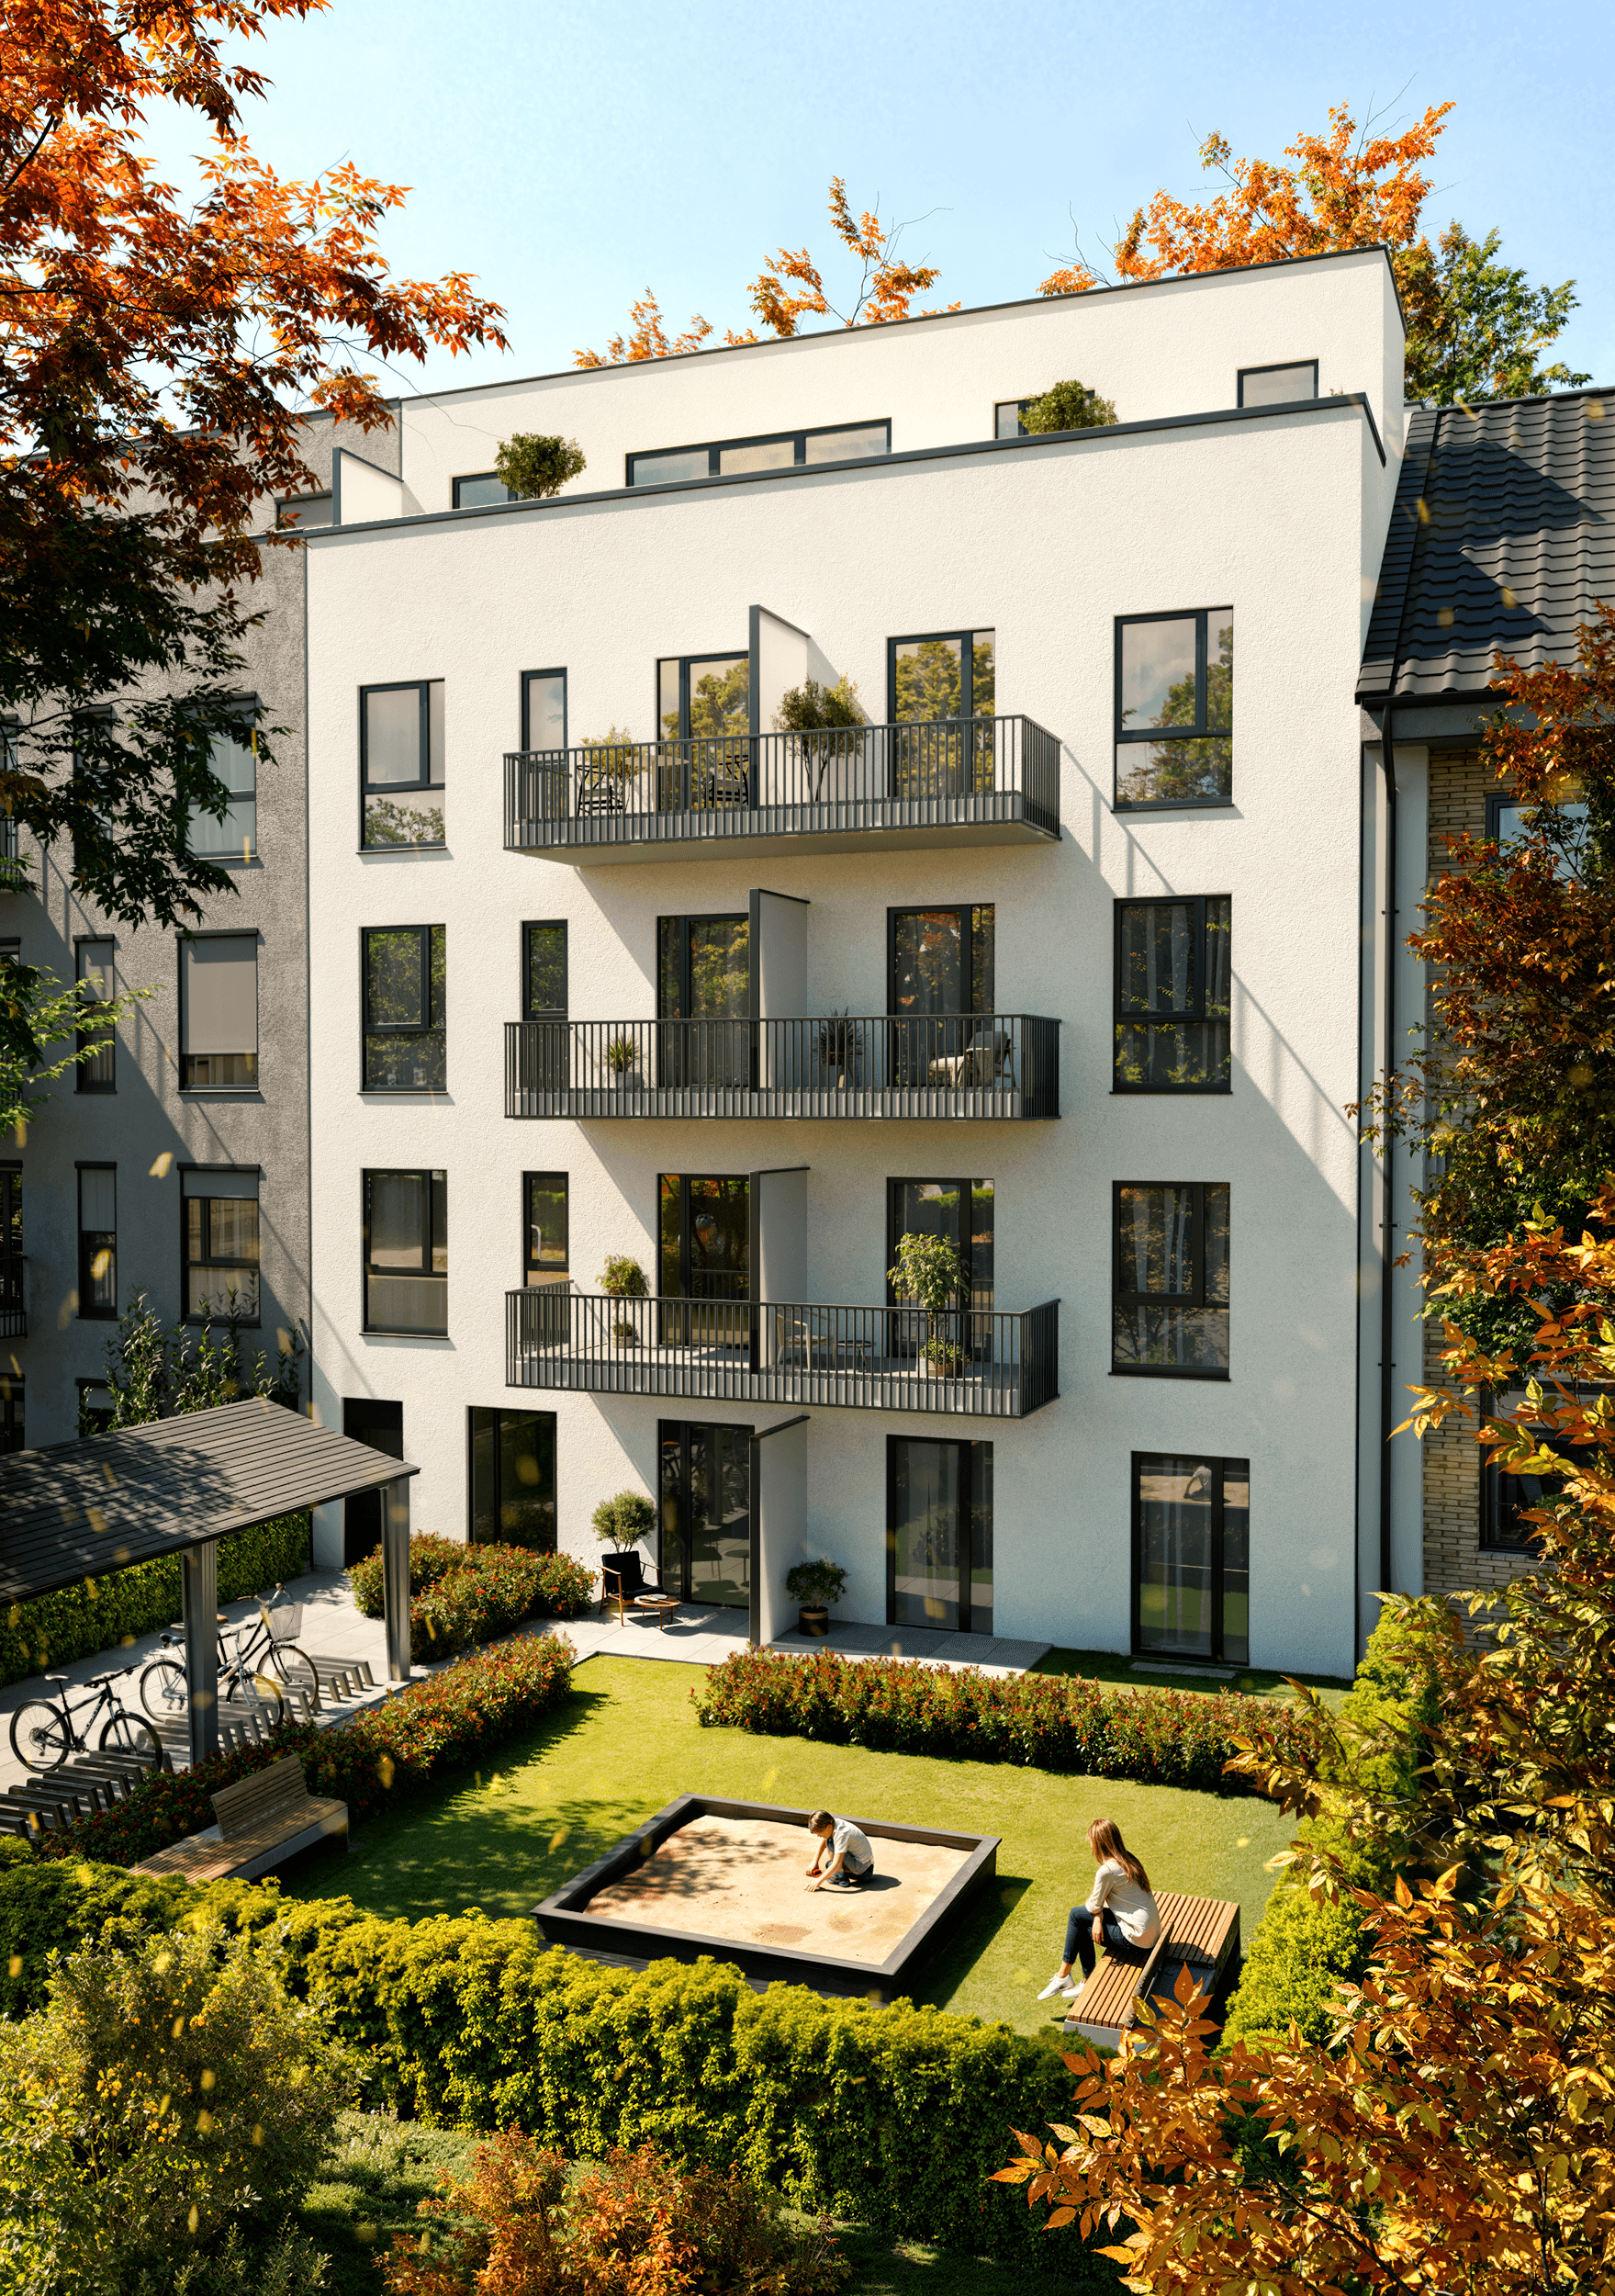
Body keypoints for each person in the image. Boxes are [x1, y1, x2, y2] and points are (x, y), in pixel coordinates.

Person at [1037, 1818, 1160, 2002]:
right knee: (1078, 1916)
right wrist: (1097, 1918)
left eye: (1092, 1842)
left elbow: (1093, 1905)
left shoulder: (1108, 1870)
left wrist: (1097, 1915)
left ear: (1099, 1844)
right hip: (1150, 1932)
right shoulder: (1128, 1859)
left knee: (1078, 1923)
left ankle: (1072, 1978)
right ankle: (1065, 1977)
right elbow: (1098, 1904)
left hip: (1137, 1940)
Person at [805, 1808, 875, 1891]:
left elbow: (837, 1864)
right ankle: (840, 1873)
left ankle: (840, 1876)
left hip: (864, 1873)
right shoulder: (833, 1823)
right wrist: (815, 1862)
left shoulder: (841, 1834)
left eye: (819, 1833)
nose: (818, 1836)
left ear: (828, 1827)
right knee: (829, 1860)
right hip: (865, 1867)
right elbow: (824, 1839)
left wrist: (818, 1881)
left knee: (830, 1844)